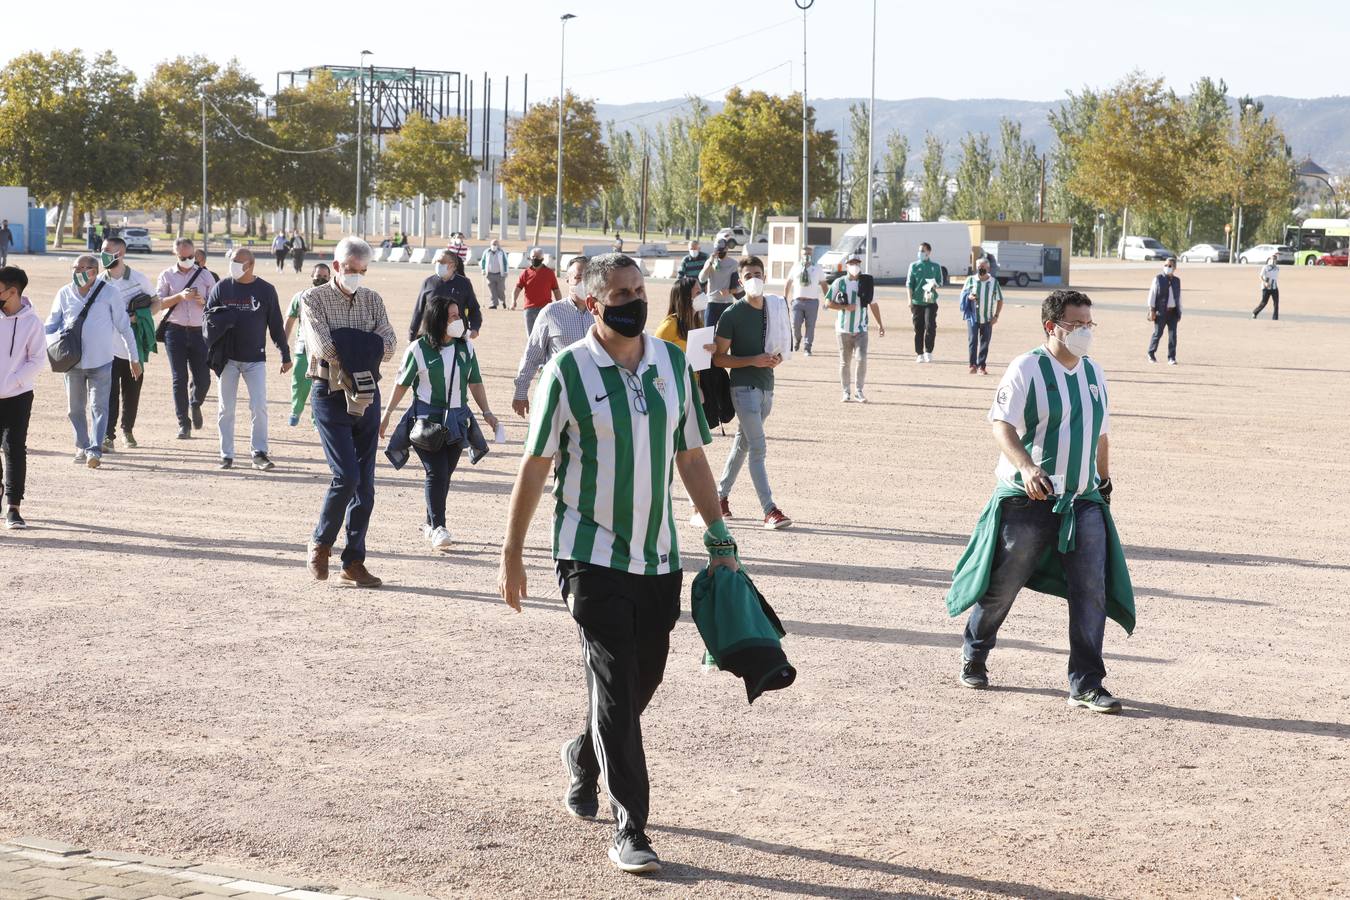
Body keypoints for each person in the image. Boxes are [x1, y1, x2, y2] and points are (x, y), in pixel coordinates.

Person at [497, 251, 737, 876]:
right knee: (613, 677)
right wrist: (512, 552)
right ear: (593, 304)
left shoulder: (672, 364)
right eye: (622, 292)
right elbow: (535, 465)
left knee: (641, 681)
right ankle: (632, 826)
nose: (635, 300)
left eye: (640, 289)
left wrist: (718, 535)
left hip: (658, 555)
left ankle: (583, 754)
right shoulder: (566, 372)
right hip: (588, 554)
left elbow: (690, 457)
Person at [946, 289, 1132, 715]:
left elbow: (1101, 432)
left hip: (1082, 501)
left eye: (1089, 323)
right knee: (1003, 584)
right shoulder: (1027, 367)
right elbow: (1001, 426)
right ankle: (975, 650)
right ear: (1052, 327)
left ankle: (1086, 683)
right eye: (1076, 324)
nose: (1085, 331)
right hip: (1029, 498)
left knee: (1091, 591)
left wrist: (1104, 481)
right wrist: (1028, 468)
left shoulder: (1094, 373)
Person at [302, 236, 397, 589]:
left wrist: (352, 343)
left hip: (367, 391)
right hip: (329, 391)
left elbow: (389, 345)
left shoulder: (373, 299)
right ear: (337, 265)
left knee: (366, 485)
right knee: (346, 475)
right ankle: (320, 543)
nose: (357, 276)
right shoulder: (313, 298)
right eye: (352, 270)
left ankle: (354, 560)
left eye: (363, 271)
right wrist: (365, 344)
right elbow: (323, 347)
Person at [381, 294, 499, 553]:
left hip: (458, 420)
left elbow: (475, 381)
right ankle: (439, 527)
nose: (459, 320)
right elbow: (401, 384)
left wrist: (487, 412)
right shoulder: (418, 349)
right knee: (436, 472)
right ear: (438, 321)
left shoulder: (466, 347)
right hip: (426, 422)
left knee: (445, 474)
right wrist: (387, 413)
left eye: (460, 315)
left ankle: (429, 521)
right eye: (454, 316)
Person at [710, 256, 792, 530]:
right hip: (743, 388)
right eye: (748, 275)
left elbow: (779, 345)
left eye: (758, 273)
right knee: (758, 447)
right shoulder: (732, 314)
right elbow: (719, 358)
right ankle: (770, 510)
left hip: (767, 387)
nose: (754, 279)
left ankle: (719, 498)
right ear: (740, 281)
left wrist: (774, 360)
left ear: (765, 276)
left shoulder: (774, 308)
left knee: (742, 444)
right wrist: (752, 360)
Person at [45, 254, 140, 469]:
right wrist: (53, 348)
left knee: (99, 407)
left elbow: (125, 327)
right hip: (72, 363)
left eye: (82, 269)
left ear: (94, 271)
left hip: (102, 362)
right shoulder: (64, 293)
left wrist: (134, 357)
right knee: (75, 409)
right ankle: (82, 445)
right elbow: (50, 326)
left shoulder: (109, 293)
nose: (76, 272)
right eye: (74, 268)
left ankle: (95, 450)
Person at [203, 248, 290, 470]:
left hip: (255, 360)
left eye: (238, 262)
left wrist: (285, 354)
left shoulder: (266, 290)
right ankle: (226, 454)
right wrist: (222, 324)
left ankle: (259, 453)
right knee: (226, 409)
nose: (233, 266)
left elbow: (276, 326)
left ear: (250, 265)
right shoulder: (222, 287)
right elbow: (207, 319)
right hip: (227, 360)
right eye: (231, 261)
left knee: (259, 406)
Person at [511, 256, 592, 418]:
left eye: (588, 278)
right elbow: (532, 355)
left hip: (596, 396)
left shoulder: (604, 313)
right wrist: (520, 392)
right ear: (567, 279)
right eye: (577, 278)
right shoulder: (551, 313)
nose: (583, 283)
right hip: (560, 395)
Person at [98, 236, 157, 452]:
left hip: (134, 347)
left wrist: (140, 317)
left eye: (107, 250)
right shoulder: (99, 281)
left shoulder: (138, 279)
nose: (102, 253)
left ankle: (127, 430)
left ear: (120, 254)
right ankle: (108, 435)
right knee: (109, 392)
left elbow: (156, 301)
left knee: (132, 391)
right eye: (102, 249)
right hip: (106, 347)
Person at [156, 238, 217, 440]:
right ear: (176, 255)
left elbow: (217, 305)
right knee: (178, 378)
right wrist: (180, 297)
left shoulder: (205, 275)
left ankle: (195, 403)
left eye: (191, 256)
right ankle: (183, 423)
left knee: (203, 379)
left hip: (200, 332)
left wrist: (203, 300)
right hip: (175, 331)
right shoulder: (166, 275)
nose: (188, 260)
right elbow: (157, 305)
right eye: (184, 257)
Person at [0, 266, 44, 529]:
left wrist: (12, 381)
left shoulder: (32, 322)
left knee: (14, 448)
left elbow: (37, 360)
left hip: (18, 395)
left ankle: (14, 507)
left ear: (12, 291)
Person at [825, 253, 884, 403]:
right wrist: (844, 307)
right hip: (843, 330)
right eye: (852, 263)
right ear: (846, 265)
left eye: (857, 263)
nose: (855, 266)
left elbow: (873, 303)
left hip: (861, 329)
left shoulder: (866, 283)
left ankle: (859, 390)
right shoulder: (839, 282)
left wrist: (879, 324)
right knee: (845, 362)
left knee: (862, 359)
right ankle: (846, 391)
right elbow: (827, 302)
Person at [284, 263, 330, 426]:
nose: (321, 279)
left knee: (320, 386)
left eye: (325, 276)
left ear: (330, 278)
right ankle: (295, 411)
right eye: (318, 276)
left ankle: (315, 419)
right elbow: (289, 320)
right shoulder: (300, 297)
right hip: (303, 347)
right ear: (312, 276)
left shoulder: (334, 298)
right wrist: (283, 346)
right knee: (299, 383)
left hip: (325, 350)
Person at [410, 249, 483, 344]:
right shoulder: (428, 283)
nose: (438, 264)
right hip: (431, 336)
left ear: (452, 265)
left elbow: (474, 309)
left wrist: (475, 327)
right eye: (437, 261)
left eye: (441, 262)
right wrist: (412, 336)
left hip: (457, 337)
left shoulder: (464, 283)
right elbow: (418, 311)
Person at [783, 245, 828, 356]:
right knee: (795, 324)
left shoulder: (817, 268)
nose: (806, 256)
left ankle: (807, 347)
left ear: (811, 255)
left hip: (812, 302)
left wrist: (827, 298)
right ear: (801, 255)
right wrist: (785, 297)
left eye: (808, 254)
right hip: (797, 301)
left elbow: (823, 284)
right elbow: (788, 282)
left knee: (810, 325)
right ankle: (797, 339)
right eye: (804, 254)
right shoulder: (796, 267)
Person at [961, 258, 1004, 375]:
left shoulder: (994, 282)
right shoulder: (970, 280)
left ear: (988, 268)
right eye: (979, 267)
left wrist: (996, 316)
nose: (982, 269)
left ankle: (982, 366)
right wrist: (968, 297)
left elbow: (1000, 300)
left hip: (988, 318)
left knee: (985, 342)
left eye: (984, 267)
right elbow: (963, 295)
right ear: (976, 267)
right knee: (972, 340)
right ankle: (972, 365)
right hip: (973, 317)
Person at [653, 276, 708, 355]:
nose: (703, 295)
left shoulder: (699, 323)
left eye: (701, 291)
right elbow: (653, 352)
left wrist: (710, 348)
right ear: (686, 298)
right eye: (698, 292)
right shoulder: (670, 325)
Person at [907, 241, 942, 363]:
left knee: (930, 326)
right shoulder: (914, 266)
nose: (920, 253)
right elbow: (909, 284)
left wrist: (933, 284)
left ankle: (928, 351)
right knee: (918, 327)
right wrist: (909, 300)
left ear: (929, 252)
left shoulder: (935, 266)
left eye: (923, 250)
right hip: (917, 302)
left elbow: (940, 281)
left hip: (930, 301)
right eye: (919, 251)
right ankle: (919, 353)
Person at [512, 248, 561, 336]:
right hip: (529, 310)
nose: (535, 259)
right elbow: (517, 288)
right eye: (533, 257)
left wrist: (559, 304)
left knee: (545, 335)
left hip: (546, 309)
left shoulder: (549, 273)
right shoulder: (525, 273)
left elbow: (556, 290)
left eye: (537, 257)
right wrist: (513, 301)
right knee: (531, 336)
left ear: (542, 259)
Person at [698, 239, 741, 326]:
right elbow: (702, 279)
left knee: (727, 334)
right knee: (708, 332)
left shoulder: (734, 264)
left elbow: (741, 286)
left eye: (721, 250)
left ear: (726, 249)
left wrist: (729, 291)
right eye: (717, 250)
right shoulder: (710, 262)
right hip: (711, 303)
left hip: (727, 303)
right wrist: (710, 262)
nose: (719, 253)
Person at [1146, 256, 1181, 365]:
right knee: (1158, 333)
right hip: (1161, 312)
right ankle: (1151, 353)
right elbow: (1152, 294)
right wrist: (1151, 309)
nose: (1167, 267)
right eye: (1165, 265)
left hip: (1173, 312)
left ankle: (1171, 357)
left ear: (1174, 267)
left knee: (1173, 336)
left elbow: (1178, 297)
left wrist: (1179, 311)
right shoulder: (1158, 279)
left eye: (1170, 265)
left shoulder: (1177, 281)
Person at [479, 238, 510, 309]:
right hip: (489, 274)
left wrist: (505, 271)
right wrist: (483, 269)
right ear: (490, 245)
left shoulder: (501, 252)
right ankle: (494, 304)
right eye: (493, 244)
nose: (494, 245)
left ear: (498, 245)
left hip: (500, 274)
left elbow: (505, 263)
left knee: (500, 289)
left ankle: (503, 301)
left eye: (496, 244)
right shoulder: (486, 252)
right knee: (492, 290)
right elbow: (483, 261)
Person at [1253, 255, 1280, 320]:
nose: (1274, 260)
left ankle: (1275, 318)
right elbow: (1260, 276)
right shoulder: (1265, 267)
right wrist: (1265, 282)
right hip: (1266, 287)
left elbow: (1274, 277)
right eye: (1273, 259)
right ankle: (1255, 312)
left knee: (1276, 303)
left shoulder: (1277, 268)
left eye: (1275, 259)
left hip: (1274, 287)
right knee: (1264, 303)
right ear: (1269, 259)